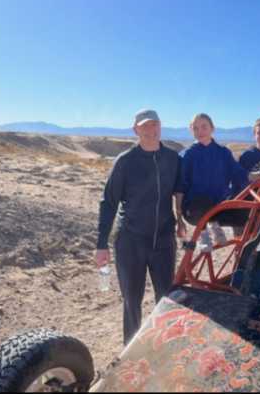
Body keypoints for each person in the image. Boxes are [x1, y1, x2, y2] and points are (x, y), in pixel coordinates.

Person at [95, 109, 181, 345]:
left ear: (160, 126)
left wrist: (184, 221)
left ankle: (163, 344)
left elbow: (181, 192)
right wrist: (101, 245)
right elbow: (108, 202)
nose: (150, 130)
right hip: (130, 240)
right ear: (136, 130)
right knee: (132, 300)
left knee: (165, 298)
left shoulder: (173, 159)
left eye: (154, 125)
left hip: (163, 240)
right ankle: (131, 348)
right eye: (145, 126)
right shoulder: (125, 161)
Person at [175, 113, 249, 251]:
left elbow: (238, 174)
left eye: (204, 127)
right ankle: (204, 234)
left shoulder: (223, 153)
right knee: (202, 202)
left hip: (218, 207)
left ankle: (245, 250)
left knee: (244, 213)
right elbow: (180, 186)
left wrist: (255, 176)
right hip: (194, 209)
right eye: (195, 128)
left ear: (212, 128)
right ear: (191, 131)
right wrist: (179, 217)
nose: (200, 131)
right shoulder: (187, 155)